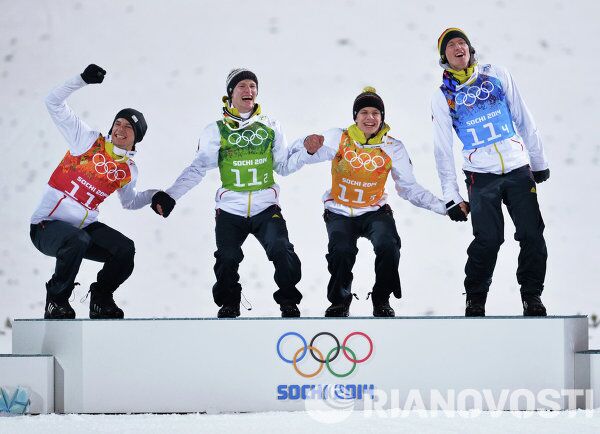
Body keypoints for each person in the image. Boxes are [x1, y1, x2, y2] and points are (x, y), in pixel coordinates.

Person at [151, 68, 311, 318]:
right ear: (230, 93)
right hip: (230, 210)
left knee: (281, 248)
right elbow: (198, 168)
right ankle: (229, 303)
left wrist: (307, 152)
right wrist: (171, 195)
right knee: (227, 257)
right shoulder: (215, 130)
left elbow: (284, 166)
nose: (249, 91)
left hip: (265, 207)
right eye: (242, 86)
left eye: (252, 86)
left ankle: (289, 301)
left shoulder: (271, 126)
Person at [298, 87, 447, 317]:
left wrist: (445, 207)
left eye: (376, 113)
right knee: (341, 250)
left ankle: (381, 299)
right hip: (339, 210)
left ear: (382, 118)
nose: (370, 118)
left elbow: (408, 188)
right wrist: (308, 147)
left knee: (389, 245)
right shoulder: (339, 137)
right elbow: (307, 153)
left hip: (374, 211)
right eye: (364, 112)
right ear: (355, 117)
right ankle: (339, 301)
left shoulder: (393, 147)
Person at [432, 28, 550, 317]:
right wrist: (451, 195)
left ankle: (531, 296)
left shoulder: (497, 74)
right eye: (451, 46)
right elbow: (442, 149)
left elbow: (523, 116)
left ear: (471, 49)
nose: (458, 47)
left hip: (517, 168)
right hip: (480, 175)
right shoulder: (443, 96)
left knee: (532, 233)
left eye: (462, 42)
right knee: (488, 239)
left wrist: (538, 161)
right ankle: (476, 299)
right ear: (444, 57)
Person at [30, 64, 156, 319]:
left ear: (136, 138)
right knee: (78, 240)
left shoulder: (128, 170)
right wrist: (81, 80)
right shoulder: (87, 141)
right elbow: (53, 102)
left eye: (128, 127)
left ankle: (101, 298)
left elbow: (130, 202)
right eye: (117, 123)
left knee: (125, 249)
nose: (119, 129)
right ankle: (56, 299)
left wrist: (155, 196)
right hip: (46, 226)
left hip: (82, 229)